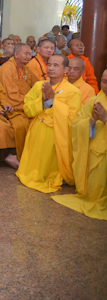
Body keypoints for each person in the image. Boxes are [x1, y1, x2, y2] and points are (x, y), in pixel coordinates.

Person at [16, 55, 82, 193]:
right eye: (49, 64)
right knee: (33, 163)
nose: (51, 68)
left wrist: (52, 101)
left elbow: (73, 118)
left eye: (56, 65)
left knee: (48, 164)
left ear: (65, 70)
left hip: (56, 132)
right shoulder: (38, 85)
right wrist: (42, 101)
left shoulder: (73, 91)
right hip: (37, 127)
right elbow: (27, 108)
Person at [52, 69, 107, 220]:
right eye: (104, 81)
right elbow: (76, 124)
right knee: (94, 192)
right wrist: (92, 120)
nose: (106, 86)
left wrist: (105, 118)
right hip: (95, 151)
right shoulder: (94, 101)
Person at [0, 43, 39, 160]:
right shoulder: (7, 68)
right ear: (16, 54)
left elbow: (37, 85)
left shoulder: (26, 68)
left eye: (30, 54)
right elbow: (10, 95)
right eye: (26, 54)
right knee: (21, 124)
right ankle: (18, 156)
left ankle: (34, 156)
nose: (29, 56)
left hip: (25, 104)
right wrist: (30, 103)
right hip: (13, 106)